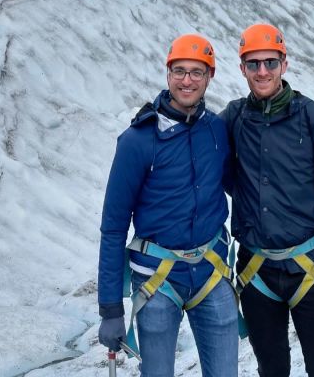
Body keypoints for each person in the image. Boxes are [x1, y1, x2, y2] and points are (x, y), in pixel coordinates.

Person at [98, 34, 238, 377]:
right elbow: (114, 226)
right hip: (158, 280)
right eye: (179, 71)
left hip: (211, 272)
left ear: (210, 77)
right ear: (168, 74)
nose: (187, 80)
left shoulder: (217, 130)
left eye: (196, 72)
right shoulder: (137, 141)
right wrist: (110, 307)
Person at [221, 23, 314, 377]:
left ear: (284, 64)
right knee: (272, 369)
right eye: (253, 64)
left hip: (311, 272)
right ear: (242, 69)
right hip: (257, 272)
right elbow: (197, 151)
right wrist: (158, 119)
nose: (262, 71)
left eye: (270, 62)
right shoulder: (233, 119)